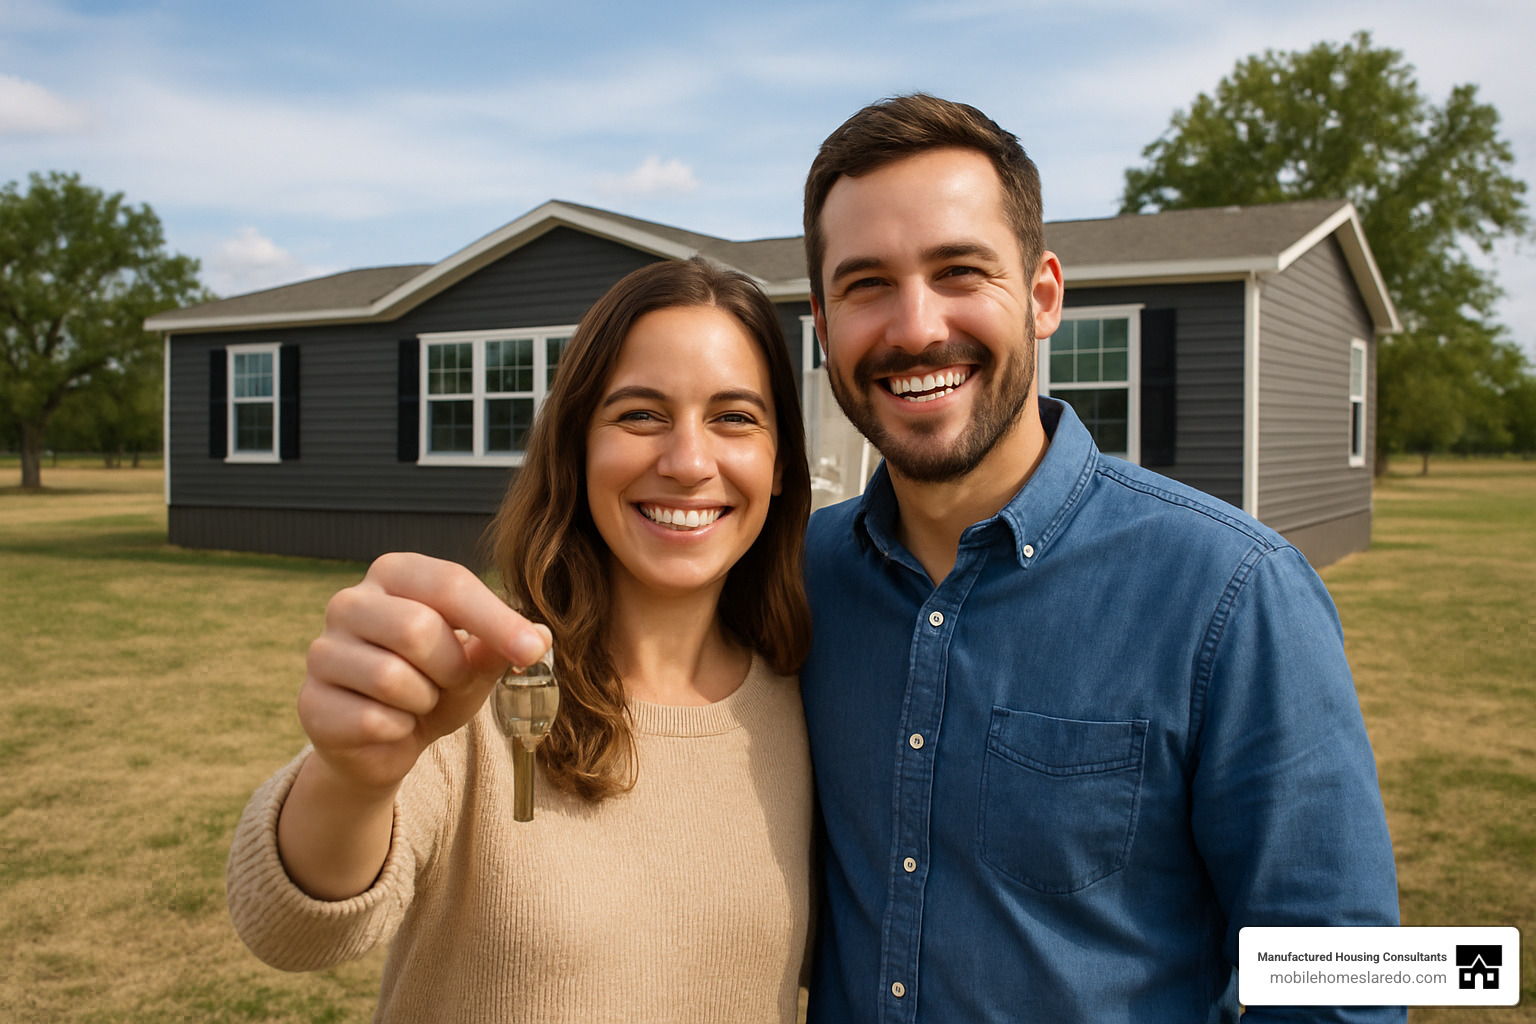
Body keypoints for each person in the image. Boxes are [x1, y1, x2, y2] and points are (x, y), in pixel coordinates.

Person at [796, 94, 1402, 1022]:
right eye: (866, 283)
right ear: (824, 322)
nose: (915, 328)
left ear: (1044, 296)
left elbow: (1342, 980)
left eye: (960, 270)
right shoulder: (796, 581)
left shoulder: (1233, 594)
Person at [226, 257, 817, 1024]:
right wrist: (353, 778)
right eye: (640, 415)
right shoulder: (474, 674)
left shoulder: (812, 704)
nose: (688, 462)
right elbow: (291, 929)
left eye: (734, 418)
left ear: (779, 465)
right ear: (574, 446)